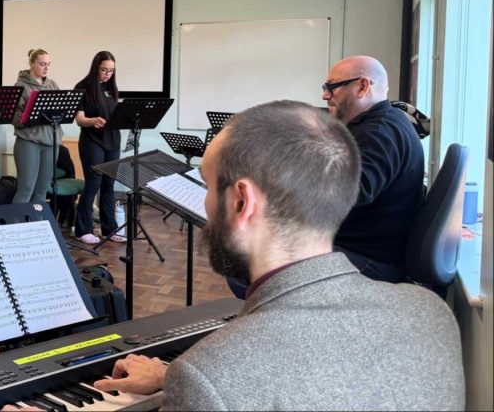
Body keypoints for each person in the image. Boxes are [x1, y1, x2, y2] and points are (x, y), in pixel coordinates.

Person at [78, 101, 464, 411]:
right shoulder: (430, 313)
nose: (206, 203)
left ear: (242, 201)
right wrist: (172, 378)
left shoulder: (207, 376)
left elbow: (242, 381)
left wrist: (191, 381)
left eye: (208, 186)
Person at [322, 55, 424, 283]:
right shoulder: (386, 121)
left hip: (367, 260)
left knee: (254, 255)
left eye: (331, 87)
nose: (325, 95)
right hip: (367, 248)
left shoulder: (378, 132)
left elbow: (349, 192)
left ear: (362, 86)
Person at [73, 51, 125, 244]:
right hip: (92, 141)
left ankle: (109, 229)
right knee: (93, 183)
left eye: (111, 71)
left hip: (112, 140)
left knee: (108, 185)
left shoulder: (111, 88)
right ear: (96, 67)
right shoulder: (83, 87)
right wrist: (92, 120)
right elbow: (79, 119)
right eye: (104, 70)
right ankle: (83, 229)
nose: (107, 74)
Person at [11, 49, 61, 205]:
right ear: (31, 64)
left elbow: (61, 112)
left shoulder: (52, 85)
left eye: (48, 64)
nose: (46, 68)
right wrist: (33, 116)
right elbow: (14, 118)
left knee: (41, 190)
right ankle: (15, 227)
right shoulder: (20, 85)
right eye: (42, 64)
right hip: (29, 142)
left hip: (51, 142)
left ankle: (36, 227)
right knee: (26, 189)